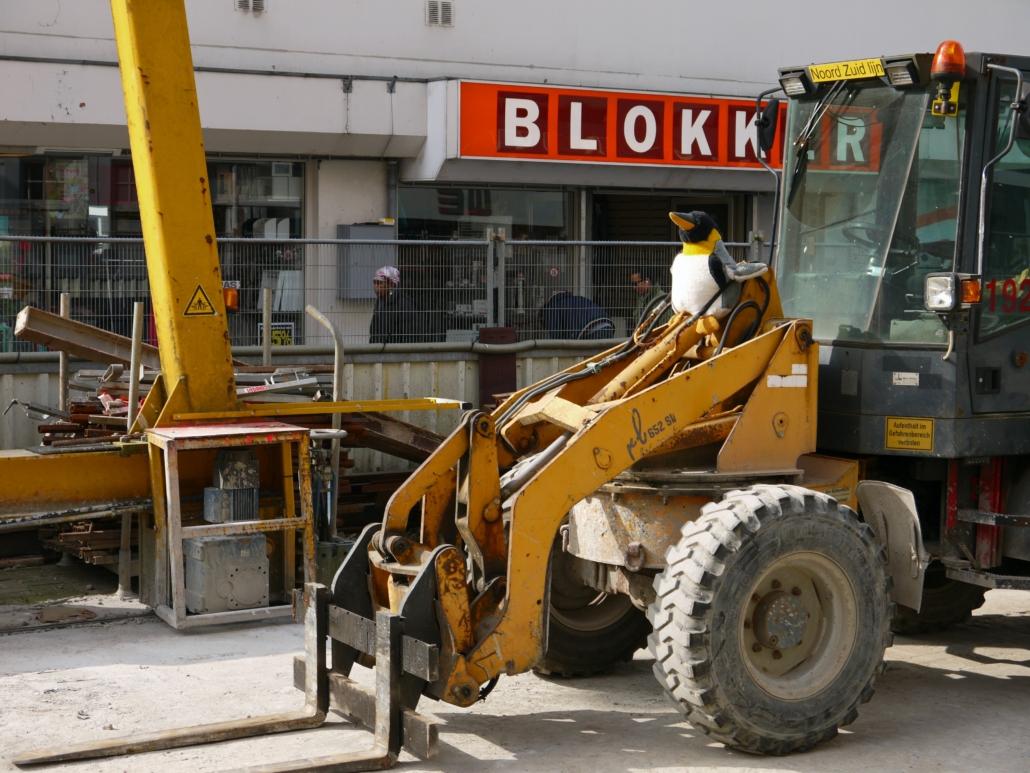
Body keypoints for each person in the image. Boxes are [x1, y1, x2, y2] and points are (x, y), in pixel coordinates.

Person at [668, 211, 767, 317]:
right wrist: (761, 266)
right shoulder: (712, 260)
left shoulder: (679, 260)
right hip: (714, 309)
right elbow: (735, 273)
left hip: (679, 307)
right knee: (733, 280)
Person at [369, 265, 418, 344]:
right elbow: (374, 330)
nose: (376, 286)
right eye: (375, 282)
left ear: (391, 284)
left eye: (379, 283)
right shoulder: (380, 301)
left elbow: (409, 335)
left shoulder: (405, 304)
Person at [539, 291, 615, 340]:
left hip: (591, 330)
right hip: (607, 325)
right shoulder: (573, 300)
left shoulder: (551, 309)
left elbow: (557, 336)